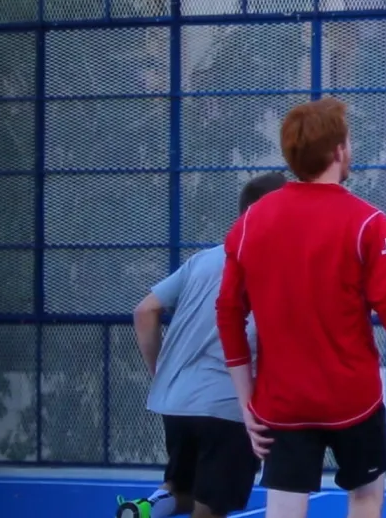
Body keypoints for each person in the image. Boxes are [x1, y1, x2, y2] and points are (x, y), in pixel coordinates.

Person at [214, 97, 386, 518]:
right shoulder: (366, 223)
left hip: (282, 403)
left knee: (283, 509)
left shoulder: (250, 222)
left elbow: (228, 313)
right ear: (339, 151)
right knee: (365, 499)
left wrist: (247, 403)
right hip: (353, 400)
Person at [116, 172, 289, 518]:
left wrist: (161, 371)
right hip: (227, 406)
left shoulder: (203, 260)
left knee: (180, 489)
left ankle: (147, 508)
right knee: (209, 509)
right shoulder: (276, 269)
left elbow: (144, 310)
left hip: (175, 400)